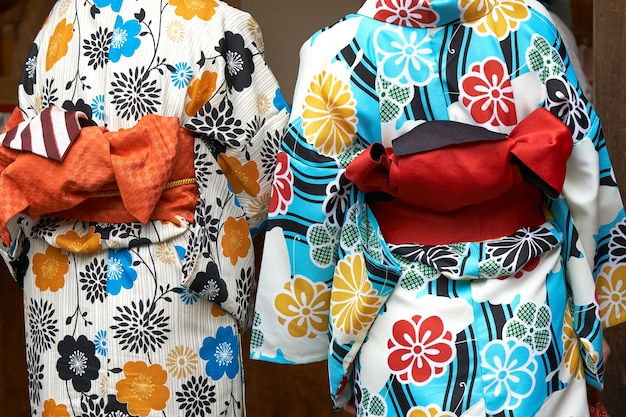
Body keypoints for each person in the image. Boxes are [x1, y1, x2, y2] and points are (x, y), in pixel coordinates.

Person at [250, 0, 626, 416]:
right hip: (534, 309)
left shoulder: (336, 48)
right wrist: (595, 305)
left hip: (400, 319)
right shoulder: (531, 25)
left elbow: (311, 204)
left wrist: (311, 335)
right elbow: (581, 169)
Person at [0, 0, 289, 416]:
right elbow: (266, 169)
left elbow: (20, 158)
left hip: (57, 282)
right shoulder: (215, 25)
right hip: (174, 269)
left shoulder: (54, 27)